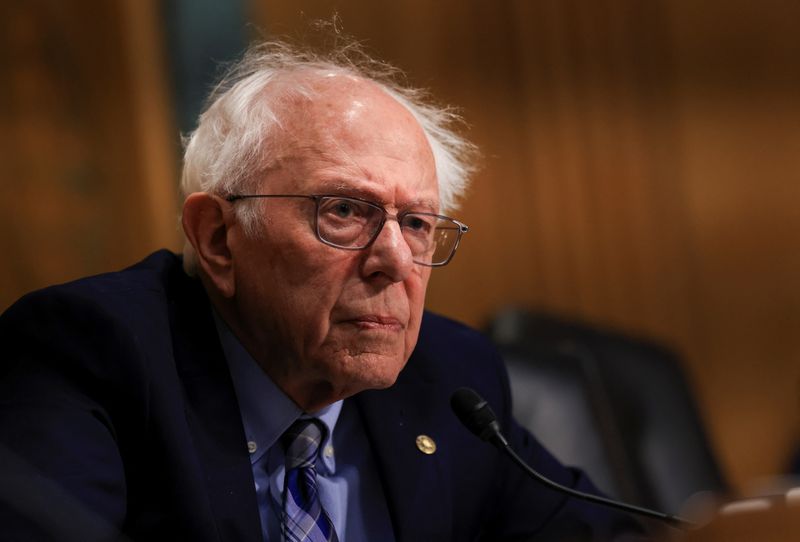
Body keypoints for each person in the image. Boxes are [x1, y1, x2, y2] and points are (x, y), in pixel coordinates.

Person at [0, 39, 646, 541]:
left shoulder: (449, 377)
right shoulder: (91, 351)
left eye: (416, 223)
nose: (394, 260)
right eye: (344, 211)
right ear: (219, 238)